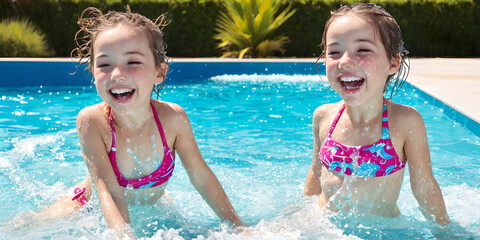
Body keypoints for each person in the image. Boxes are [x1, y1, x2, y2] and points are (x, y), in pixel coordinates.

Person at [28, 6, 244, 236]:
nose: (117, 74)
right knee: (27, 228)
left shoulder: (172, 119)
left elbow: (201, 177)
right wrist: (124, 236)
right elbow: (109, 190)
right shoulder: (93, 122)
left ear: (159, 72)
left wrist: (239, 227)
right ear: (92, 73)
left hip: (152, 204)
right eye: (104, 64)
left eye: (132, 62)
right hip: (86, 207)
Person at [304, 3, 449, 225]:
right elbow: (315, 174)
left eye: (362, 50)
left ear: (393, 62)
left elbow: (425, 187)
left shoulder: (404, 122)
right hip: (326, 228)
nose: (344, 61)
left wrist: (445, 232)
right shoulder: (323, 116)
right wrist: (303, 218)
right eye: (334, 52)